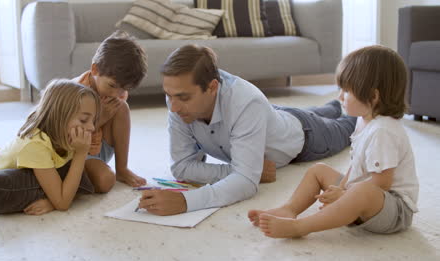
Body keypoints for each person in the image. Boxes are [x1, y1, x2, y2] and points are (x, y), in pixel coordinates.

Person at [137, 44, 356, 216]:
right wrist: (247, 171)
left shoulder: (246, 103)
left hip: (307, 138)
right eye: (169, 95)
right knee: (322, 109)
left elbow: (245, 184)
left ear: (212, 87)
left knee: (351, 123)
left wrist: (186, 202)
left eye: (183, 97)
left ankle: (343, 106)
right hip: (273, 115)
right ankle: (332, 106)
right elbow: (182, 167)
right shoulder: (178, 100)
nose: (173, 107)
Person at [248, 45, 419, 238]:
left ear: (373, 96)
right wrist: (341, 188)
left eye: (347, 91)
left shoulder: (384, 131)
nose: (340, 97)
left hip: (394, 210)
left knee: (363, 191)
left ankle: (301, 227)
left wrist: (345, 196)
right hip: (365, 194)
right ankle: (289, 209)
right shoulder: (364, 120)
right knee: (318, 170)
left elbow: (382, 183)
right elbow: (356, 166)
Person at [0, 79, 100, 215]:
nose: (92, 127)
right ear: (58, 116)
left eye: (93, 120)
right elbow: (62, 203)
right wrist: (81, 154)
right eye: (84, 120)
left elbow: (69, 187)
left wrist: (52, 201)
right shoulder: (35, 145)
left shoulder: (66, 138)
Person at [73, 30, 148, 192]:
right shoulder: (77, 94)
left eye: (124, 89)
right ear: (95, 70)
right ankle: (71, 179)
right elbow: (68, 139)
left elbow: (118, 111)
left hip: (98, 147)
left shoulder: (117, 91)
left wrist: (107, 116)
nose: (116, 94)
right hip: (75, 153)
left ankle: (122, 169)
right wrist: (100, 118)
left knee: (122, 108)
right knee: (105, 180)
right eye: (112, 86)